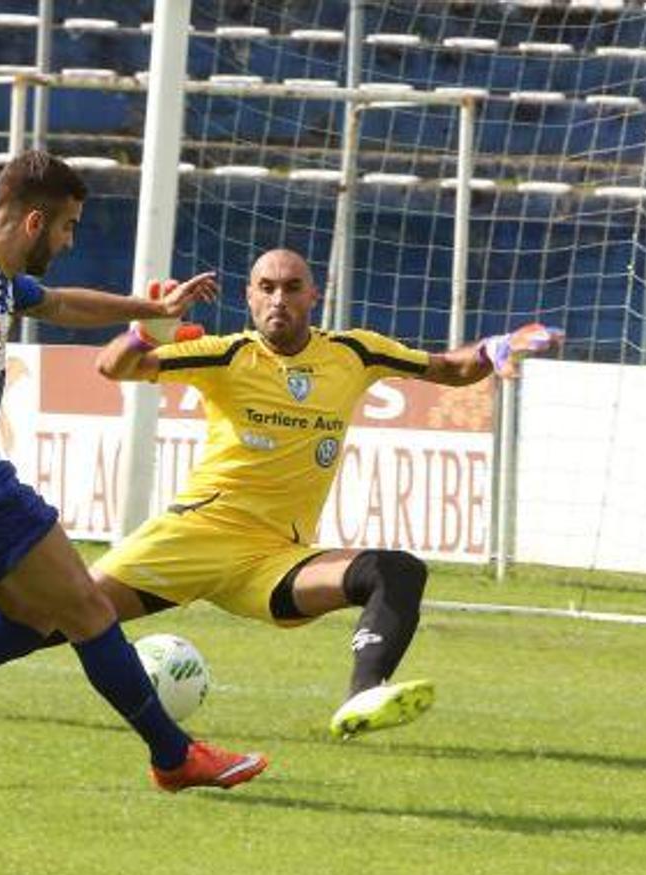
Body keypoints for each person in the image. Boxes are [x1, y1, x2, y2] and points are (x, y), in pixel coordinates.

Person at [0, 150, 269, 792]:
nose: (70, 241)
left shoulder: (1, 278)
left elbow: (63, 304)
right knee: (92, 611)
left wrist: (149, 309)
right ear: (36, 220)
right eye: (68, 227)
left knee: (42, 616)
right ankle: (174, 757)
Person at [90, 248, 559, 737]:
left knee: (395, 571)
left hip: (271, 562)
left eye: (292, 287)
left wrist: (493, 348)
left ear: (314, 296)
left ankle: (363, 697)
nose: (279, 298)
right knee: (53, 618)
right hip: (195, 539)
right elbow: (115, 366)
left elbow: (449, 368)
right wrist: (149, 329)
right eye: (266, 287)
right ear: (249, 297)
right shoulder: (227, 355)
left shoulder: (353, 353)